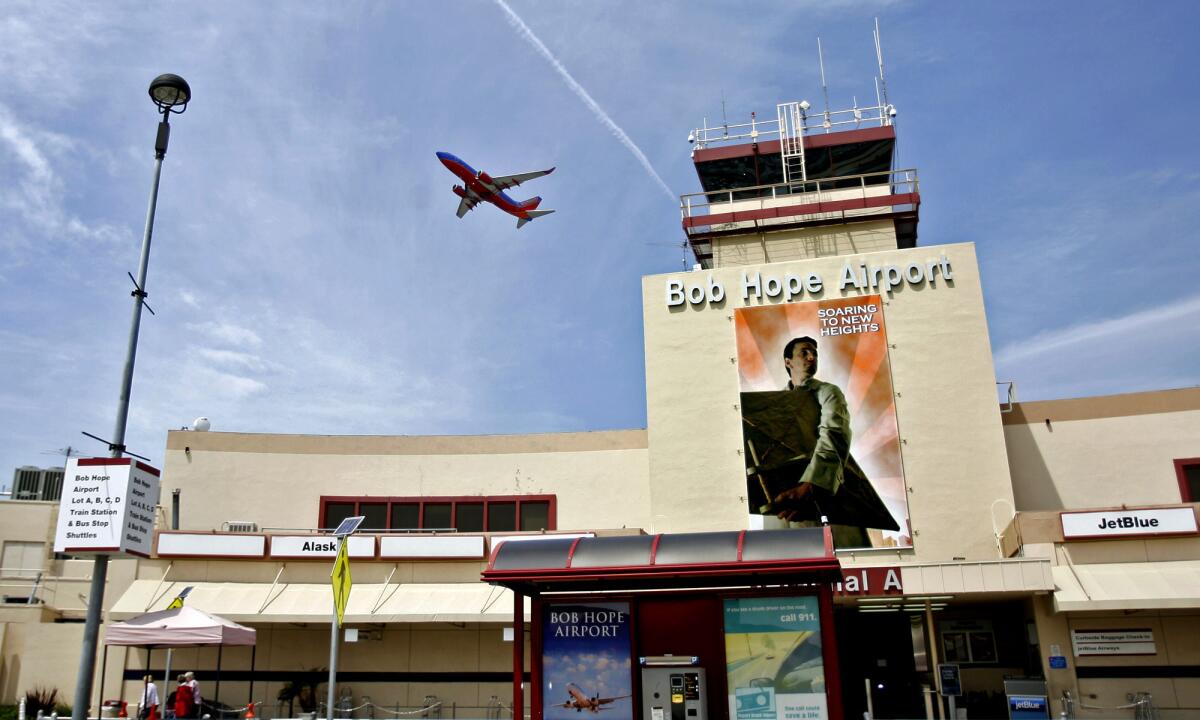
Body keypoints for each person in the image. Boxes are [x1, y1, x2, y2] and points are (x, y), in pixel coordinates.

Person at [743, 336, 897, 548]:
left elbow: (834, 435)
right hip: (782, 501)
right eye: (804, 352)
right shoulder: (771, 406)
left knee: (839, 561)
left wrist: (812, 485)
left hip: (824, 494)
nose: (812, 356)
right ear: (788, 361)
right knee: (780, 560)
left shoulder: (828, 392)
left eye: (815, 353)